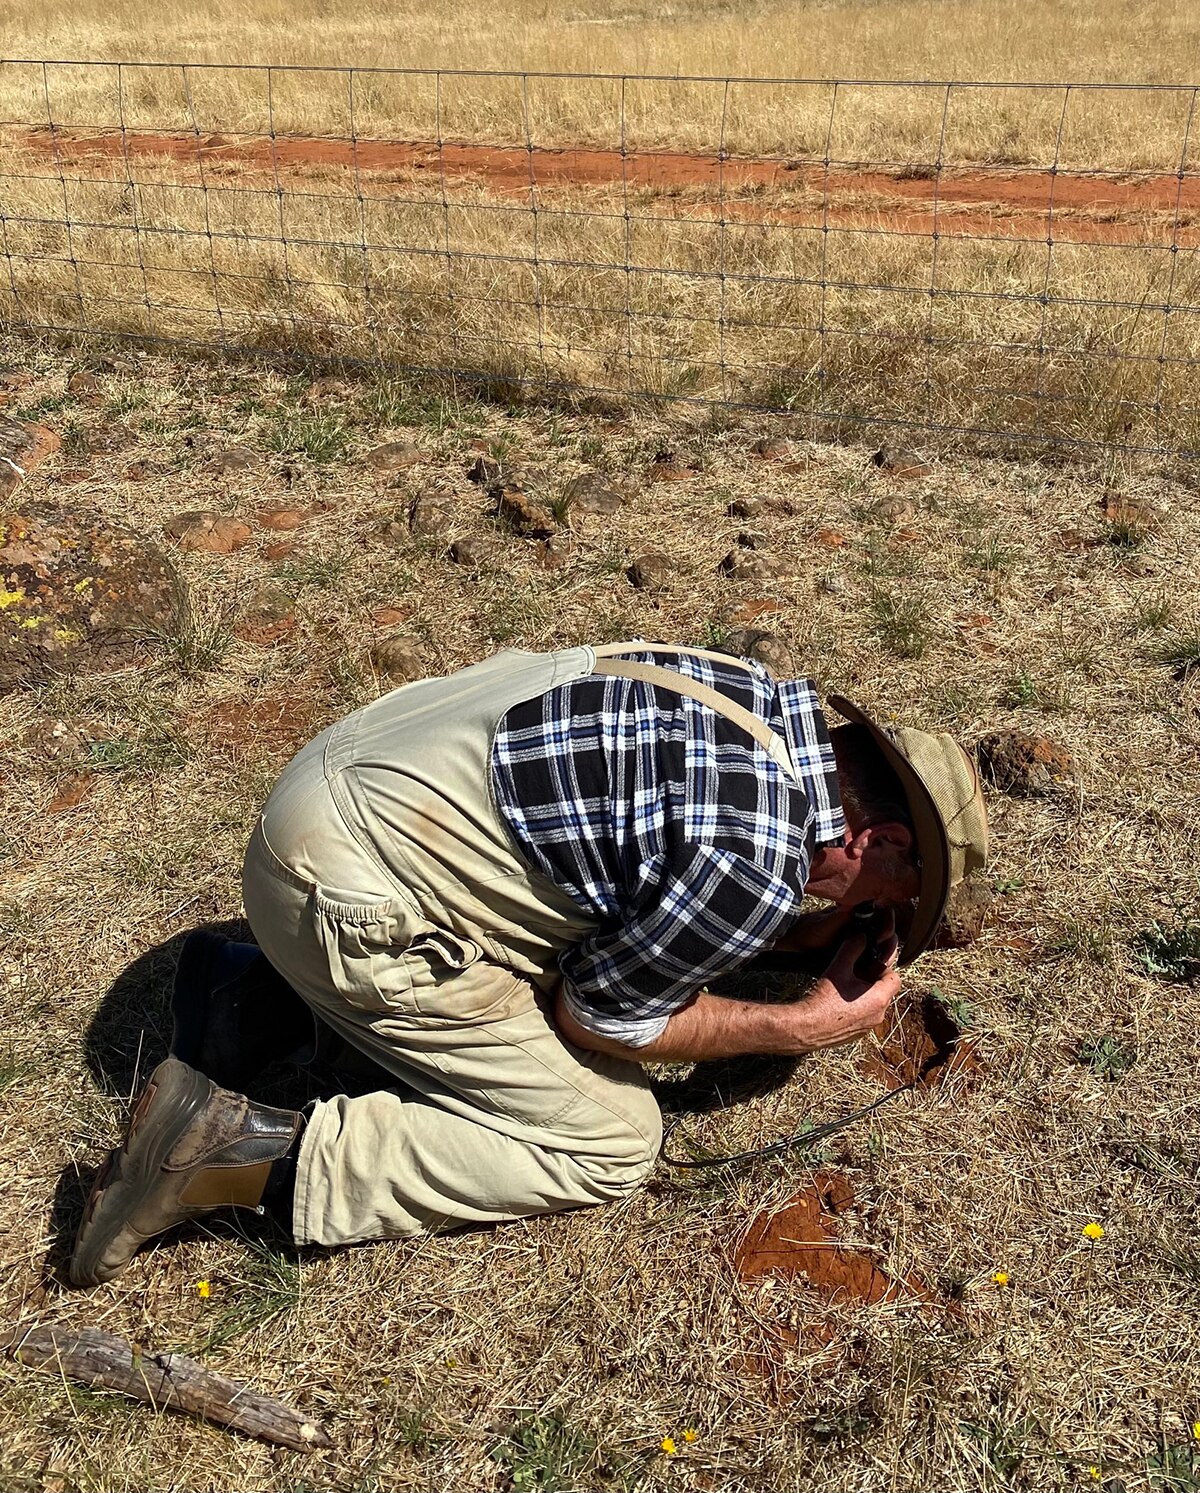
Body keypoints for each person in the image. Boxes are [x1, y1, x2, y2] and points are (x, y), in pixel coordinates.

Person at [69, 640, 987, 1287]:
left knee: (542, 903)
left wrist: (792, 936)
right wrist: (801, 1024)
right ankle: (234, 1155)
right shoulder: (751, 860)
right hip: (344, 893)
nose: (882, 913)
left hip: (330, 790)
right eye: (899, 888)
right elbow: (599, 1018)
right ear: (881, 836)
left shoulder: (747, 693)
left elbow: (628, 870)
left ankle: (249, 992)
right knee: (612, 1140)